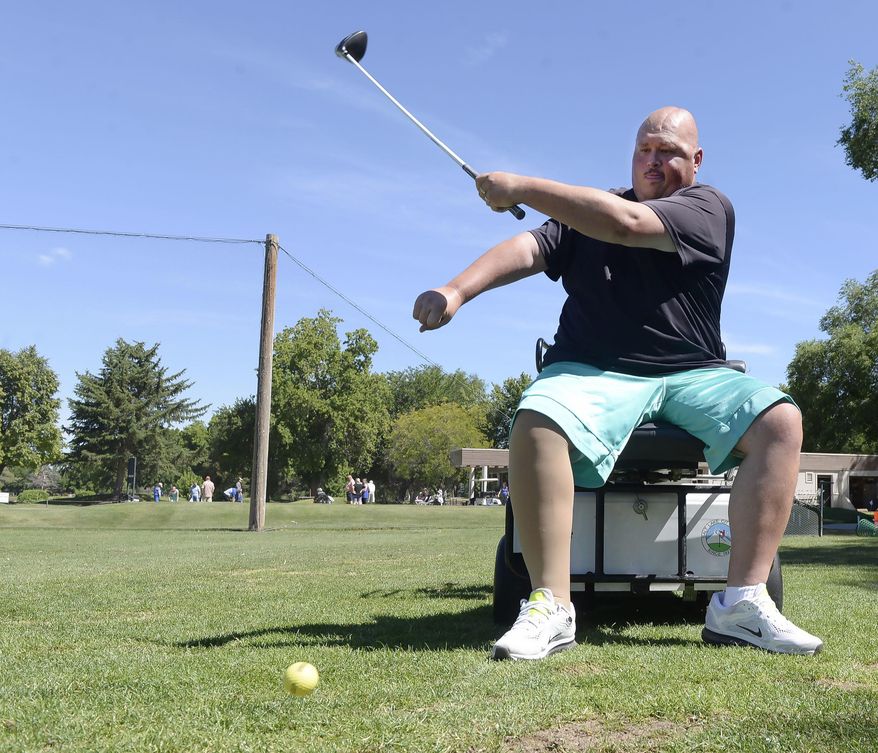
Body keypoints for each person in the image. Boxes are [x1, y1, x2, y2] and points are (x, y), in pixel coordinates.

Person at [413, 106, 823, 660]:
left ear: (696, 161)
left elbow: (625, 226)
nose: (654, 161)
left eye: (669, 152)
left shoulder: (707, 207)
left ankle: (742, 605)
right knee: (537, 417)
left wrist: (522, 186)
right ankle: (551, 605)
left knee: (781, 419)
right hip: (590, 370)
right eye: (645, 150)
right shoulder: (582, 217)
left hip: (691, 373)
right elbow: (528, 249)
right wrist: (455, 291)